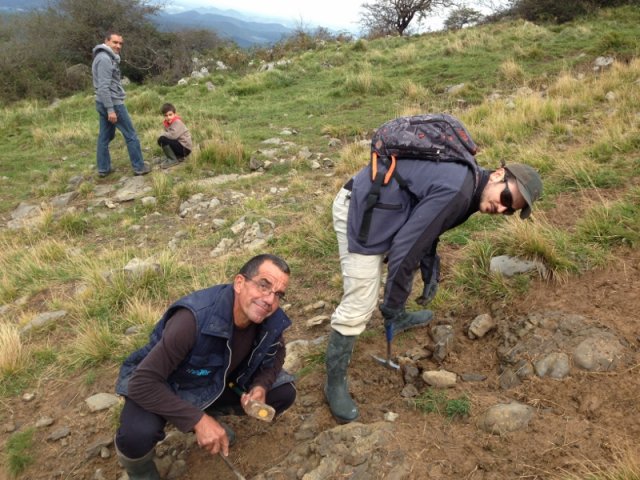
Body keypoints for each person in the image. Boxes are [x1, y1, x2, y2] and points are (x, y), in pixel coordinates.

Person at [325, 114, 543, 424]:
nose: (503, 208)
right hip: (360, 211)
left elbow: (427, 225)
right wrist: (393, 302)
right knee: (360, 301)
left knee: (392, 283)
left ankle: (396, 316)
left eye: (511, 209)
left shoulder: (471, 184)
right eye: (507, 197)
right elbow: (405, 251)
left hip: (387, 208)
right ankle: (333, 382)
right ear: (497, 174)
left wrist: (431, 270)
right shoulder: (461, 189)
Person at [114, 254, 296, 479]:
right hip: (166, 384)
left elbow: (277, 353)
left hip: (215, 380)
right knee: (136, 436)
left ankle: (208, 411)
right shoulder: (192, 320)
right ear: (239, 283)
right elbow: (141, 383)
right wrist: (197, 421)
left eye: (278, 294)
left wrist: (260, 386)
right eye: (263, 285)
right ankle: (140, 471)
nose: (270, 300)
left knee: (283, 392)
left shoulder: (269, 317)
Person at [92, 30, 151, 177]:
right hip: (112, 103)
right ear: (106, 41)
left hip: (102, 102)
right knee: (131, 135)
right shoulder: (105, 59)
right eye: (115, 42)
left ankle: (103, 169)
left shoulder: (104, 56)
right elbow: (104, 87)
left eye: (120, 43)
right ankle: (139, 167)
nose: (118, 46)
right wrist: (111, 110)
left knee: (104, 137)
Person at [157, 102, 193, 169]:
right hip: (180, 145)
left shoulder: (177, 122)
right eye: (166, 115)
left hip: (185, 148)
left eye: (170, 115)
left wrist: (162, 134)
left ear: (174, 114)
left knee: (162, 139)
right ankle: (175, 156)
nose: (168, 117)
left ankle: (173, 160)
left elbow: (173, 136)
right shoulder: (167, 123)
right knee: (161, 140)